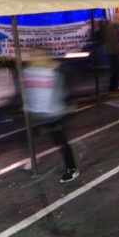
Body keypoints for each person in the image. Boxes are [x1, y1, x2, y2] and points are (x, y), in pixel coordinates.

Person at [21, 50, 79, 183]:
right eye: (33, 56)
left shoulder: (56, 72)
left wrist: (65, 107)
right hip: (37, 113)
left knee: (60, 141)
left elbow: (64, 92)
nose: (34, 59)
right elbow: (26, 90)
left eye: (37, 55)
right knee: (27, 137)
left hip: (54, 113)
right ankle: (34, 158)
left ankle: (72, 168)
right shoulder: (30, 71)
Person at [96, 20, 119, 91]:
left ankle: (113, 86)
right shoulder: (111, 29)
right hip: (114, 52)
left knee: (114, 70)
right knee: (116, 70)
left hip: (112, 52)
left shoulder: (105, 30)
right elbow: (116, 40)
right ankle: (114, 86)